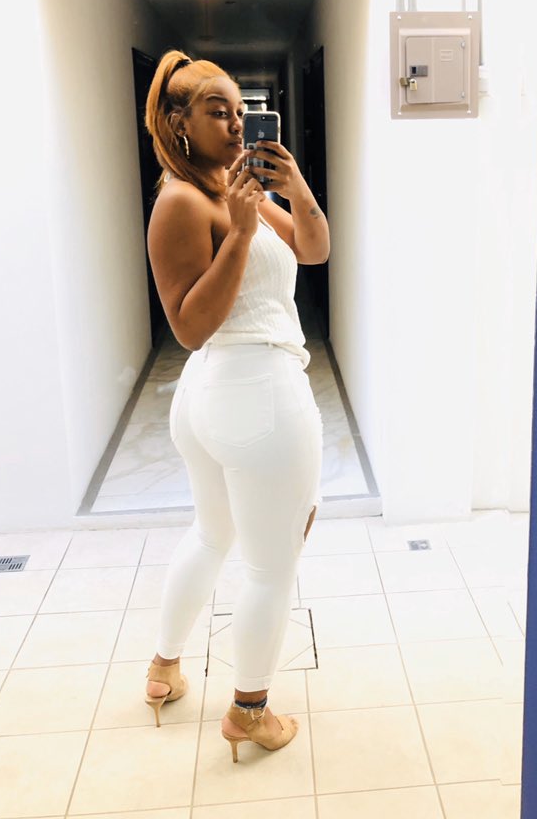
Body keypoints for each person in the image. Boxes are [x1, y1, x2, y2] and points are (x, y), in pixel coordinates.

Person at [143, 49, 330, 762]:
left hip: (222, 398)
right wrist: (245, 232)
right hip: (252, 395)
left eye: (239, 111)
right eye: (216, 111)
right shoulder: (181, 202)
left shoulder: (231, 185)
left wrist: (294, 185)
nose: (234, 124)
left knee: (213, 534)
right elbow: (189, 326)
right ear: (178, 123)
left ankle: (164, 669)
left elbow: (313, 248)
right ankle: (250, 711)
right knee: (270, 565)